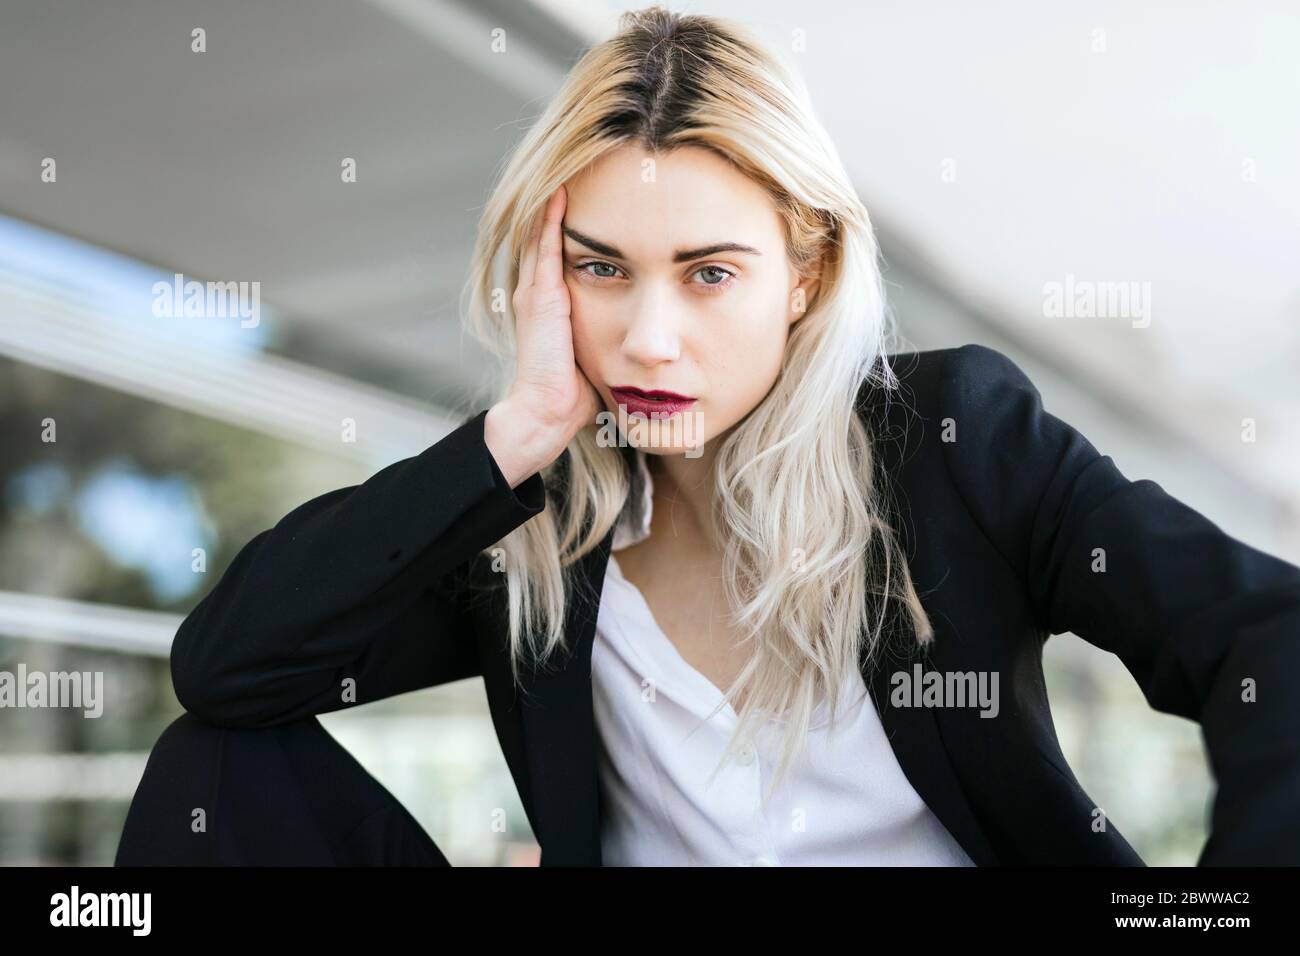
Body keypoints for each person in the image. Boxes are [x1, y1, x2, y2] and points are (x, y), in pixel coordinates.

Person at [117, 5, 1300, 867]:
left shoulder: (949, 441)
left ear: (806, 271)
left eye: (708, 272)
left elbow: (1271, 637)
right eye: (600, 269)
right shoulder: (530, 524)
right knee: (215, 769)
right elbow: (231, 670)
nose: (647, 339)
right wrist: (518, 431)